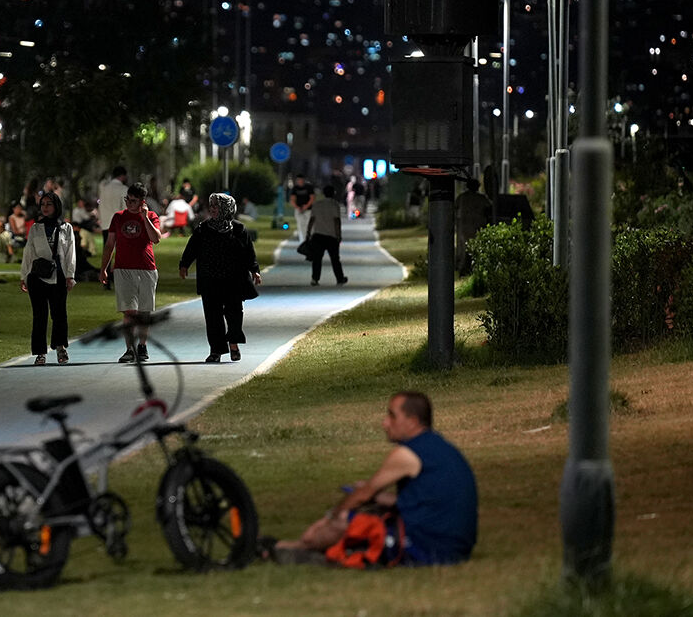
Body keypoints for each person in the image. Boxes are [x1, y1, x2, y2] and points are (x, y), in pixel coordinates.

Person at [267, 391, 477, 567]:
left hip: (428, 549)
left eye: (392, 416)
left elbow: (362, 495)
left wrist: (332, 516)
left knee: (344, 520)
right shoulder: (438, 447)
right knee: (371, 512)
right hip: (455, 547)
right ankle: (289, 548)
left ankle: (290, 549)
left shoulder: (407, 454)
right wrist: (380, 498)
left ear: (412, 422)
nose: (385, 423)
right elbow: (427, 501)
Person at [178, 193, 262, 363]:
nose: (213, 209)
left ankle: (233, 343)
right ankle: (216, 350)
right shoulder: (203, 229)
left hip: (234, 280)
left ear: (226, 208)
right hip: (210, 280)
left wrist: (255, 270)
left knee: (234, 314)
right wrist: (184, 265)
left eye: (216, 206)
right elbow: (191, 248)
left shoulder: (239, 230)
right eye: (212, 206)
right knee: (213, 316)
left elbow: (248, 253)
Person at [99, 182, 162, 363]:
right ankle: (129, 348)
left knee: (144, 311)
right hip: (123, 268)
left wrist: (145, 217)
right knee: (129, 311)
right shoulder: (118, 217)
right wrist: (103, 268)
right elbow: (110, 244)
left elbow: (156, 238)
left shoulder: (151, 215)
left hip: (146, 268)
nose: (128, 203)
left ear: (142, 202)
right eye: (127, 199)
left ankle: (142, 346)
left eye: (133, 201)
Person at [19, 191, 76, 365]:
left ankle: (60, 347)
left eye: (48, 204)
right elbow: (28, 252)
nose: (45, 207)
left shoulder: (66, 228)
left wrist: (70, 275)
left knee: (59, 314)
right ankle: (39, 353)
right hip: (37, 277)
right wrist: (24, 276)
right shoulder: (36, 228)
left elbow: (70, 253)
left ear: (56, 206)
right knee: (39, 315)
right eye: (42, 204)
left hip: (58, 277)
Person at [306, 184, 348, 287]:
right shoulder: (335, 205)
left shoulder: (317, 204)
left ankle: (315, 279)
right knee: (335, 259)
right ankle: (340, 278)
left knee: (317, 259)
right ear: (333, 193)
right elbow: (336, 220)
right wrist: (339, 235)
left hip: (318, 235)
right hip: (331, 236)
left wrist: (308, 232)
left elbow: (312, 219)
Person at [455, 178, 493, 275]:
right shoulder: (481, 198)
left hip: (465, 227)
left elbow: (455, 208)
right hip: (477, 226)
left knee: (465, 249)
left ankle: (464, 269)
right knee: (474, 249)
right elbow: (489, 209)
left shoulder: (462, 197)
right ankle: (469, 269)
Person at [291, 174, 315, 242]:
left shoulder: (309, 187)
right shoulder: (295, 188)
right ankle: (303, 240)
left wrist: (306, 206)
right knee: (300, 225)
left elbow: (312, 198)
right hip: (299, 210)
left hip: (308, 210)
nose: (300, 181)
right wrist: (297, 207)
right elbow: (292, 199)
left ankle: (310, 239)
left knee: (309, 225)